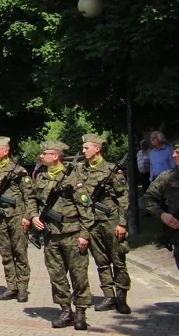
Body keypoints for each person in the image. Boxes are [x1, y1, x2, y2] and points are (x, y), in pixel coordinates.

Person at [30, 140, 93, 330]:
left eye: (45, 153)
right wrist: (33, 216)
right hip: (51, 235)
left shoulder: (73, 178)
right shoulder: (40, 177)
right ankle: (65, 310)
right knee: (56, 275)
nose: (42, 156)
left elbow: (86, 207)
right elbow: (31, 198)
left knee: (78, 274)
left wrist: (84, 234)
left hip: (72, 233)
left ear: (56, 156)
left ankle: (80, 311)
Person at [78, 133, 130, 314]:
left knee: (118, 260)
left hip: (111, 221)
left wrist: (122, 223)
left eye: (87, 148)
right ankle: (109, 295)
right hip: (92, 222)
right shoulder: (80, 170)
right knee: (101, 261)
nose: (83, 151)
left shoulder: (112, 170)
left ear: (97, 149)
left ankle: (122, 297)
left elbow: (123, 197)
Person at [0, 136, 32, 303]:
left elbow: (29, 196)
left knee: (20, 252)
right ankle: (11, 286)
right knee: (6, 254)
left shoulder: (19, 171)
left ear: (6, 151)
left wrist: (27, 217)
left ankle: (23, 288)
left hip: (16, 217)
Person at [144, 142, 179, 271]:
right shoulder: (167, 177)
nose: (174, 155)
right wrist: (162, 215)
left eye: (178, 152)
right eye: (174, 152)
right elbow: (148, 198)